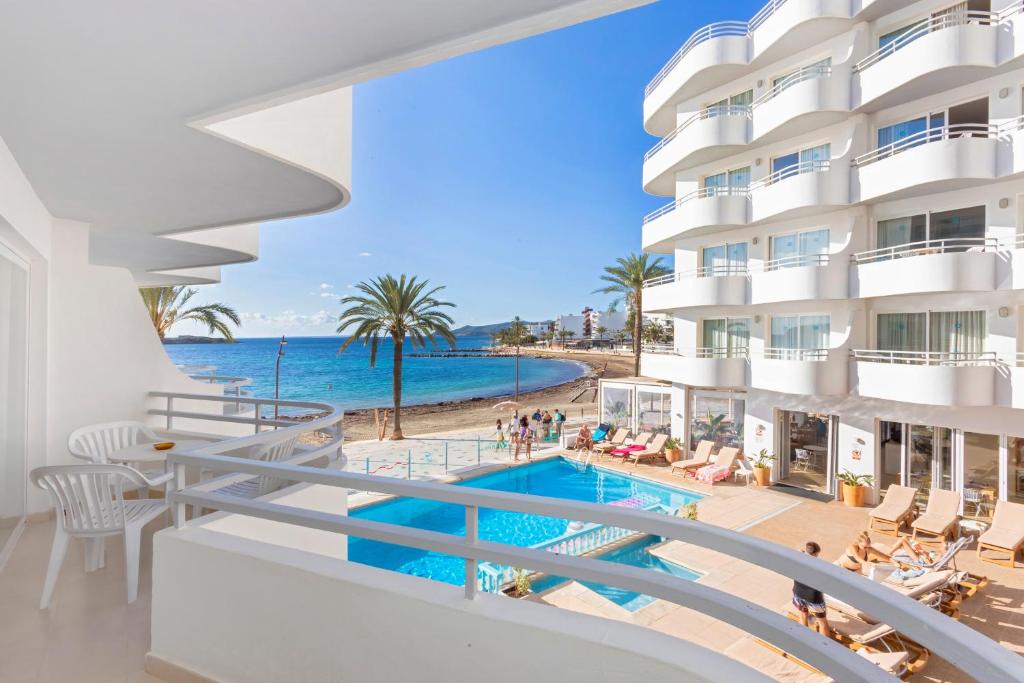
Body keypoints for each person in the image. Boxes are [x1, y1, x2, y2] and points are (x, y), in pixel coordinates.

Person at [840, 531, 931, 574]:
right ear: (859, 543)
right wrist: (867, 563)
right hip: (843, 569)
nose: (866, 549)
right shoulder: (853, 547)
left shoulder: (869, 549)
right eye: (864, 547)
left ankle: (913, 567)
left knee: (887, 569)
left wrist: (895, 562)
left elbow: (886, 558)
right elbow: (857, 558)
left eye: (868, 546)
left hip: (858, 570)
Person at [792, 541, 832, 638]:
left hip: (798, 592)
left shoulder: (797, 558)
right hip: (814, 597)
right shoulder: (818, 565)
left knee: (802, 617)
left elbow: (798, 551)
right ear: (815, 553)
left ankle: (804, 640)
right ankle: (825, 646)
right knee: (823, 623)